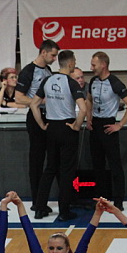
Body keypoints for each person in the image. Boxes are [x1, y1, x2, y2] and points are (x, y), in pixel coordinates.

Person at [29, 49, 86, 222]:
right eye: (74, 61)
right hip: (67, 127)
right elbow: (83, 109)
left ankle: (39, 208)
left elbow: (34, 104)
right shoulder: (71, 83)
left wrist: (42, 124)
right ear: (70, 63)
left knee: (50, 168)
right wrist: (76, 126)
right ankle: (64, 211)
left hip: (51, 127)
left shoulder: (47, 80)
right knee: (67, 171)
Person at [85, 51, 127, 212]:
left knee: (115, 165)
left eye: (94, 65)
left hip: (109, 125)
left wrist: (119, 124)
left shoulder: (115, 82)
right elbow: (88, 99)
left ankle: (119, 200)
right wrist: (88, 118)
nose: (91, 68)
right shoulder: (93, 81)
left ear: (103, 65)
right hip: (95, 125)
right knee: (97, 165)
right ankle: (101, 198)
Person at [15, 40, 58, 217]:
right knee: (37, 160)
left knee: (52, 159)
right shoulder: (28, 71)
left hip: (49, 116)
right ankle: (36, 201)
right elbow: (19, 97)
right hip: (35, 116)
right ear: (43, 52)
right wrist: (38, 101)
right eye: (52, 55)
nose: (54, 59)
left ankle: (43, 200)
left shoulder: (48, 71)